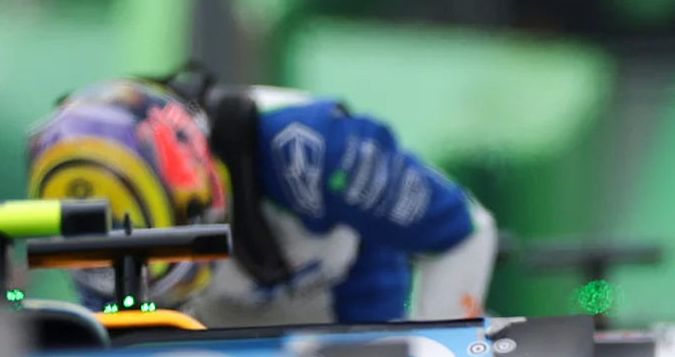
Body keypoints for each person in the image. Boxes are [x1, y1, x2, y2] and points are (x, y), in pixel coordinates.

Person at [25, 76, 495, 325]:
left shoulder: (312, 148)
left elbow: (463, 230)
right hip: (214, 335)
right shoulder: (85, 205)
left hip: (353, 313)